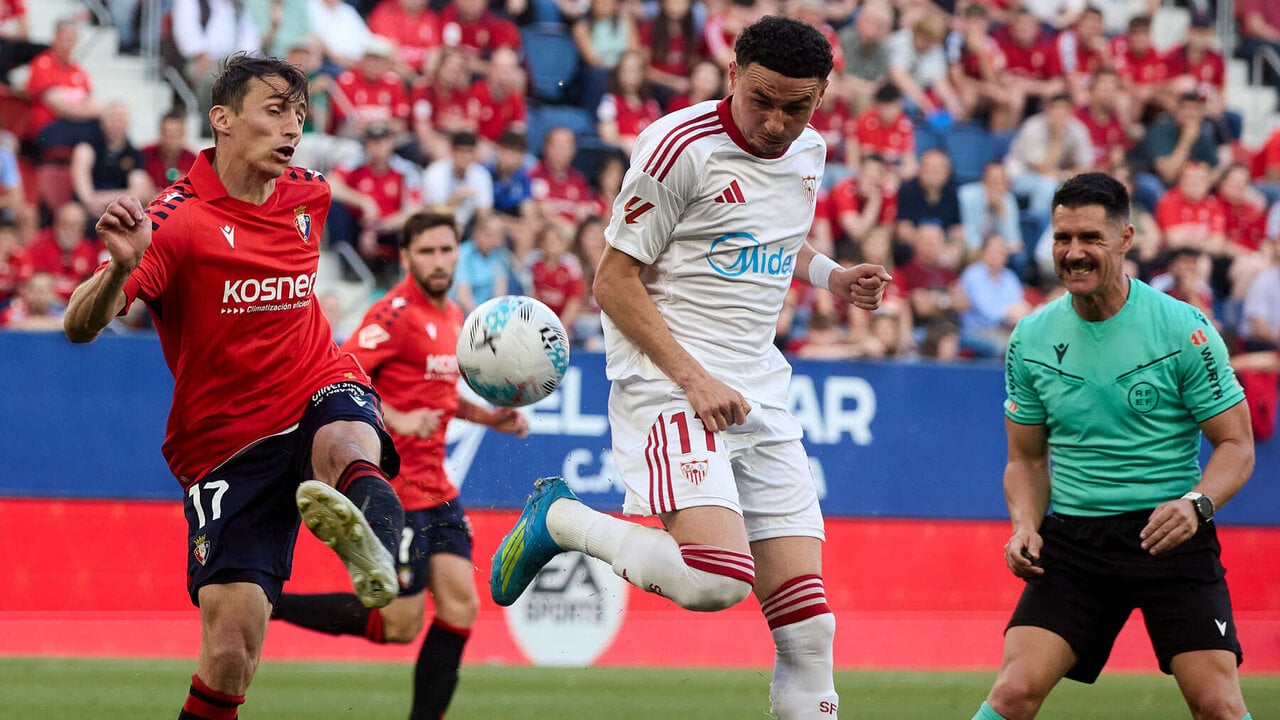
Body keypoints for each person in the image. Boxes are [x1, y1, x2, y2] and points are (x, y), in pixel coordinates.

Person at [488, 17, 892, 720]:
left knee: (809, 628)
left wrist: (832, 275)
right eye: (761, 99)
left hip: (759, 391)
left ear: (822, 96)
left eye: (795, 107)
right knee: (716, 582)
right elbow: (613, 281)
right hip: (671, 386)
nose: (775, 121)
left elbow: (769, 239)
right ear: (732, 73)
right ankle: (564, 521)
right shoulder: (677, 148)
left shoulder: (810, 152)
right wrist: (694, 378)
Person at [61, 54, 406, 720]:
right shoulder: (175, 223)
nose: (292, 128)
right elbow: (79, 325)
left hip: (314, 385)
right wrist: (118, 272)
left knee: (345, 439)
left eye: (300, 114)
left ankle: (380, 540)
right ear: (222, 119)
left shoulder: (311, 195)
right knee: (229, 655)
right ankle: (372, 530)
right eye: (275, 110)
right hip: (227, 445)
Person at [972, 172, 1255, 720]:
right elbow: (1026, 459)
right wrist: (1025, 525)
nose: (1073, 253)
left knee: (1218, 704)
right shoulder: (1029, 339)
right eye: (1062, 239)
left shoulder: (1184, 329)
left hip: (1172, 535)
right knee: (1011, 695)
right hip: (1076, 544)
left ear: (1126, 238)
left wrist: (1197, 505)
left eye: (1090, 239)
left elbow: (1236, 446)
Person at [272, 209, 528, 720]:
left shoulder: (456, 317)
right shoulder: (391, 316)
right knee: (400, 625)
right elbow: (338, 380)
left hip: (440, 491)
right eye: (427, 252)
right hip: (397, 489)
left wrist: (489, 417)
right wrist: (398, 417)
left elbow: (438, 394)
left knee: (460, 609)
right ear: (408, 257)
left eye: (446, 249)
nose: (438, 261)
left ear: (460, 253)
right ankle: (272, 602)